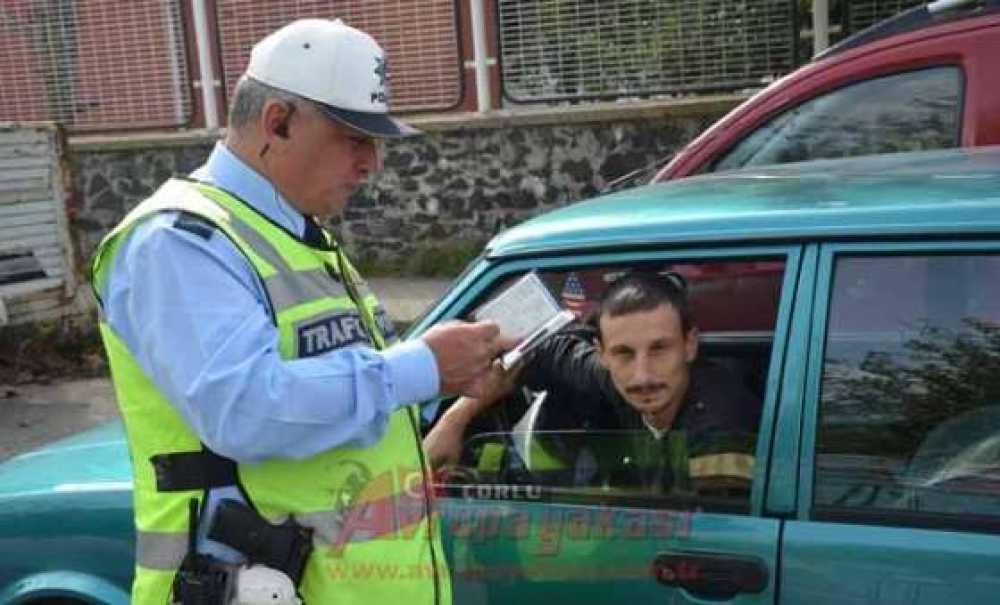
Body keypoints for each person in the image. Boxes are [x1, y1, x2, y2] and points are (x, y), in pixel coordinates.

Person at [91, 18, 509, 605]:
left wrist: (445, 378)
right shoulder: (178, 240)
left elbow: (339, 398)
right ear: (278, 122)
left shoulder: (292, 235)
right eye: (355, 138)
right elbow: (245, 408)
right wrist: (420, 368)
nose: (372, 164)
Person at [425, 271, 761, 492]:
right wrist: (454, 420)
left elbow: (705, 543)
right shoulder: (608, 377)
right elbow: (538, 348)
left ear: (690, 345)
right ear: (602, 354)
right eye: (624, 353)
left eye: (659, 349)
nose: (642, 375)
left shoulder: (719, 432)